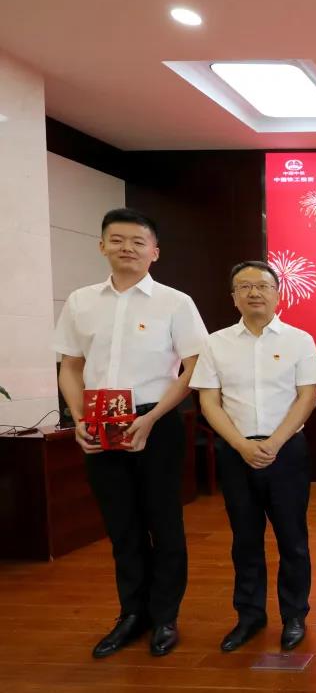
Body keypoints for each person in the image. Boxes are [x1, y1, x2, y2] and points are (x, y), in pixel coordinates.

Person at [54, 208, 207, 658]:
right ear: (102, 245)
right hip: (99, 422)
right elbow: (71, 367)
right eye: (117, 240)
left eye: (138, 242)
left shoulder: (175, 302)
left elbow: (193, 369)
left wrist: (152, 417)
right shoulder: (81, 301)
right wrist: (79, 419)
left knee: (164, 521)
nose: (127, 248)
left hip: (156, 422)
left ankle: (165, 616)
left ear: (154, 252)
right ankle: (131, 614)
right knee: (121, 525)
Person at [190, 261, 316, 652]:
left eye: (262, 286)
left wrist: (275, 443)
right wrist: (241, 444)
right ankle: (249, 616)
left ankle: (294, 614)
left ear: (277, 293)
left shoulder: (299, 340)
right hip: (236, 451)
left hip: (287, 451)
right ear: (233, 297)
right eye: (244, 287)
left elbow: (307, 397)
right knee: (245, 539)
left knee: (292, 539)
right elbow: (209, 402)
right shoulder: (215, 343)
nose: (254, 293)